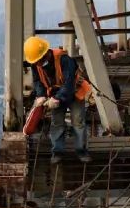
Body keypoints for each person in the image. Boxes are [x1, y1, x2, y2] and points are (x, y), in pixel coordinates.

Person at [24, 35, 91, 164]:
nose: (38, 64)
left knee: (78, 121)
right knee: (57, 123)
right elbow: (38, 81)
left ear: (45, 54)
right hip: (55, 93)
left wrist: (57, 99)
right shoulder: (36, 65)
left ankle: (81, 151)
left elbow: (69, 83)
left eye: (39, 61)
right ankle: (57, 152)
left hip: (74, 92)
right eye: (36, 62)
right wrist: (41, 95)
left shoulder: (64, 60)